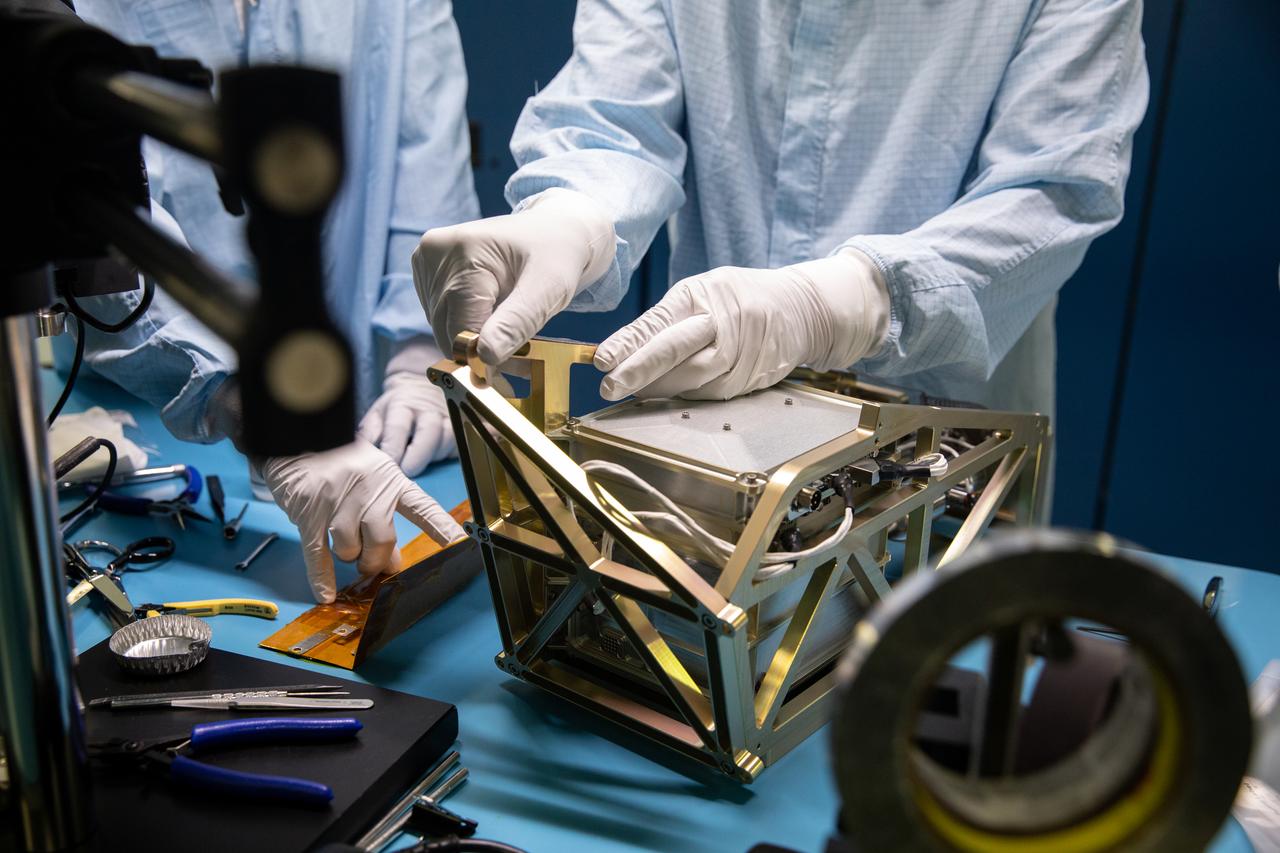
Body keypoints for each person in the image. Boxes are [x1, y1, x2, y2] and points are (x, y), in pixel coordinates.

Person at [414, 0, 1149, 430]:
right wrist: (572, 214)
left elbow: (1053, 188)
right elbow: (614, 114)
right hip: (706, 427)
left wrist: (845, 303)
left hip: (944, 439)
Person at [68, 0, 479, 602]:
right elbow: (97, 218)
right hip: (150, 420)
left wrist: (419, 355)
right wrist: (237, 400)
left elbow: (426, 155)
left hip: (364, 411)